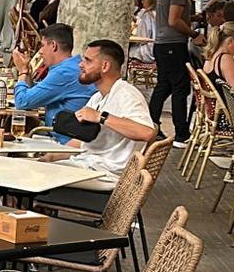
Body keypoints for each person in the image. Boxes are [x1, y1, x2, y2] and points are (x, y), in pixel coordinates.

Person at [37, 40, 161, 194]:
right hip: (88, 165)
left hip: (107, 175)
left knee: (35, 176)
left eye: (87, 60)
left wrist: (101, 117)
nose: (81, 65)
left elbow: (147, 133)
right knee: (33, 167)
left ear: (105, 66)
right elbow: (81, 141)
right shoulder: (97, 97)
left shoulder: (126, 94)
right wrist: (51, 157)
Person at [149, 0, 199, 145]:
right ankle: (181, 132)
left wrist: (191, 18)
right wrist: (193, 33)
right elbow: (173, 20)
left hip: (161, 44)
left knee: (163, 86)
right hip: (173, 44)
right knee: (180, 88)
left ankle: (152, 123)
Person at [11, 24, 88, 137]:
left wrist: (22, 71)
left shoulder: (64, 73)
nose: (40, 51)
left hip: (62, 138)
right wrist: (26, 70)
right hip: (57, 127)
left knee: (13, 124)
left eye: (42, 46)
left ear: (53, 45)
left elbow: (22, 102)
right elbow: (37, 93)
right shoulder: (70, 67)